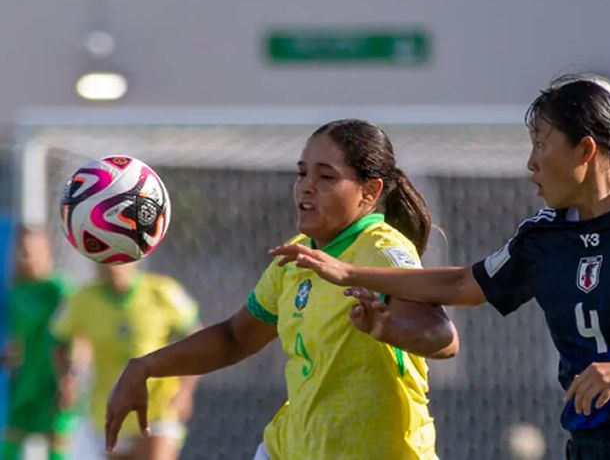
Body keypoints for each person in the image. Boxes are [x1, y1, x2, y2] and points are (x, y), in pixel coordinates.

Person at [271, 75, 610, 460]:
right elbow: (463, 284)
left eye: (540, 143)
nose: (530, 162)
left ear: (585, 150)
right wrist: (350, 272)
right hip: (590, 445)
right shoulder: (542, 236)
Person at [106, 119, 460, 460]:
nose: (306, 186)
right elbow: (235, 337)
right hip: (289, 448)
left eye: (326, 176)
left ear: (370, 192)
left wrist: (388, 328)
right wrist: (145, 366)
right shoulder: (297, 255)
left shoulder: (382, 250)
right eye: (302, 172)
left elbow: (443, 337)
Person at [52, 261, 201, 460]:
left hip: (158, 405)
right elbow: (60, 341)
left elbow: (196, 337)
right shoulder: (82, 300)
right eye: (106, 259)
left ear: (136, 259)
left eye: (121, 259)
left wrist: (185, 390)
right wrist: (67, 378)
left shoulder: (162, 292)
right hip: (111, 407)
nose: (114, 266)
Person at [1, 226, 78, 460]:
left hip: (53, 379)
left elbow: (74, 338)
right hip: (26, 380)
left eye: (31, 251)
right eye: (21, 252)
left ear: (47, 252)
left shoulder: (58, 290)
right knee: (10, 443)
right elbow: (18, 342)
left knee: (56, 443)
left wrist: (70, 379)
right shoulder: (18, 292)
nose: (26, 258)